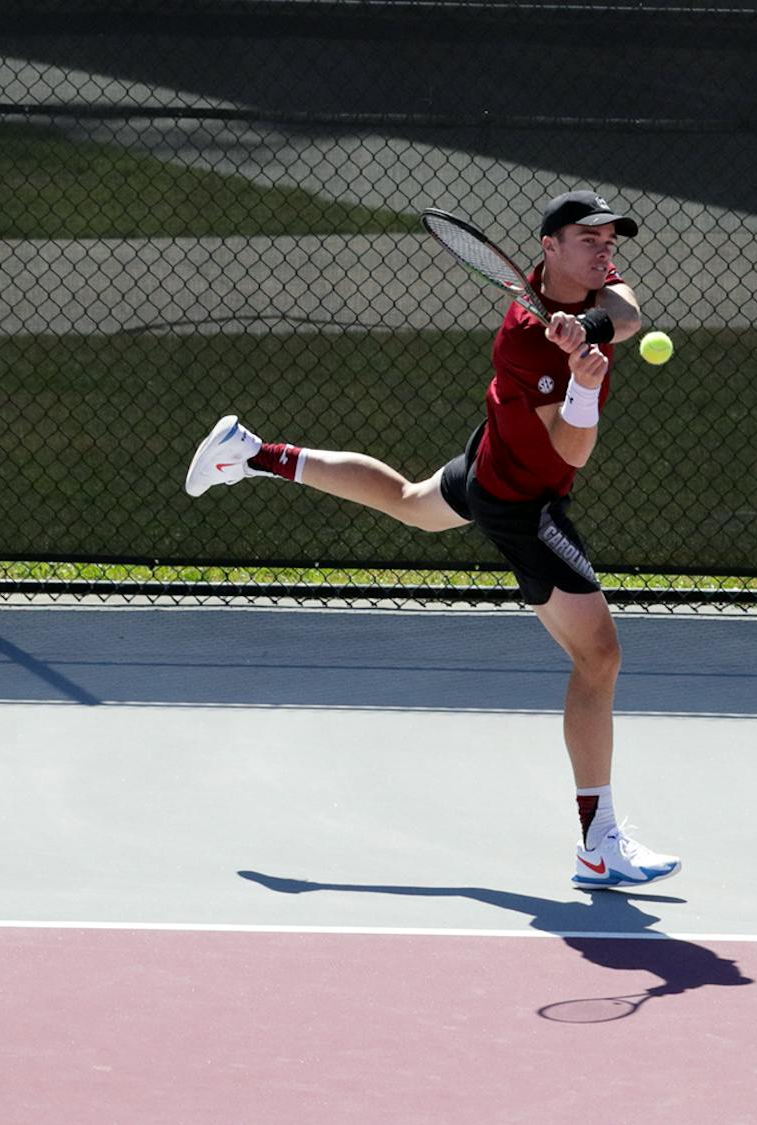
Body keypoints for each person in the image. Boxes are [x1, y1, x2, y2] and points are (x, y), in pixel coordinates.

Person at [183, 190, 680, 891]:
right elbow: (568, 455)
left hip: (491, 458)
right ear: (548, 248)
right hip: (521, 499)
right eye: (590, 238)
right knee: (600, 656)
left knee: (410, 502)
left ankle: (253, 453)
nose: (607, 250)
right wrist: (582, 388)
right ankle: (598, 845)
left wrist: (589, 327)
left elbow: (627, 314)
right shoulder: (522, 341)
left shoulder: (595, 291)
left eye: (611, 239)